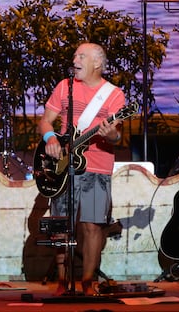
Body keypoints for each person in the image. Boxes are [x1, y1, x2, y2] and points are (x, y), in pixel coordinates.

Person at [38, 42, 125, 296]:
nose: (75, 58)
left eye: (81, 56)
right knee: (59, 224)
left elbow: (116, 136)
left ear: (97, 63)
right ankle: (63, 282)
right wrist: (50, 139)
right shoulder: (65, 86)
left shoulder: (113, 94)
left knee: (92, 225)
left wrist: (112, 136)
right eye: (75, 55)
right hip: (62, 165)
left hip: (97, 165)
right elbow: (45, 121)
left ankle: (88, 281)